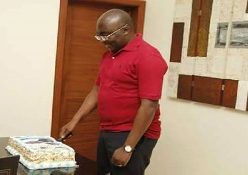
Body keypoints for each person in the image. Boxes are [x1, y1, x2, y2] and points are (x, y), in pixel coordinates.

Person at [59, 9, 168, 175]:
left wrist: (128, 147)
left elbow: (149, 107)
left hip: (133, 135)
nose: (103, 41)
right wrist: (74, 121)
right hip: (108, 130)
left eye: (107, 35)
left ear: (126, 30)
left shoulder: (148, 58)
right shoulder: (109, 55)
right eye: (99, 36)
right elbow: (97, 90)